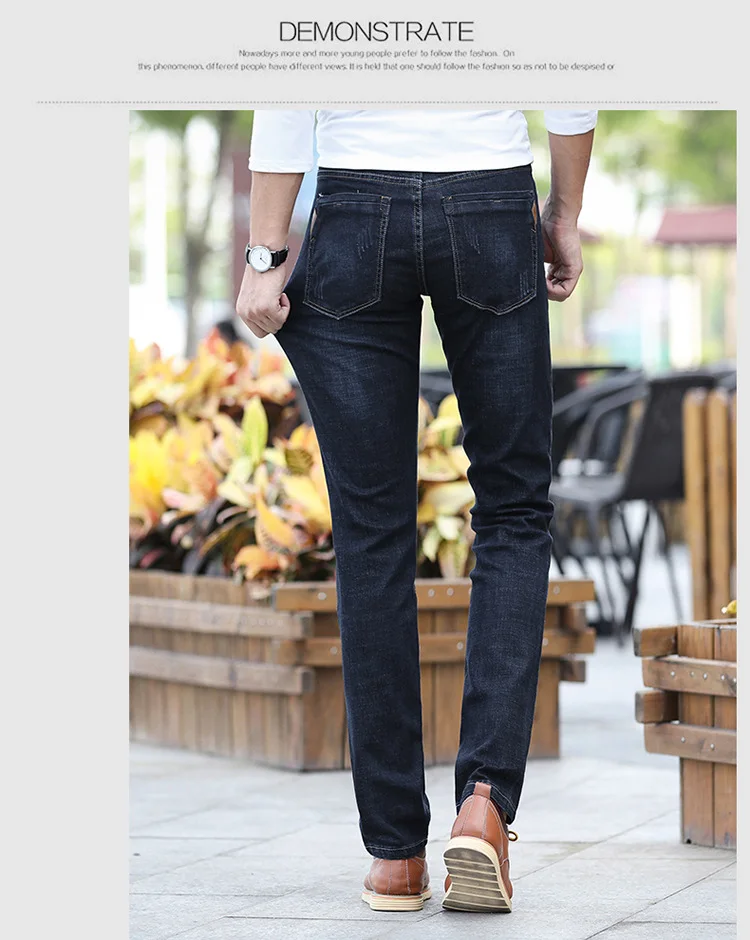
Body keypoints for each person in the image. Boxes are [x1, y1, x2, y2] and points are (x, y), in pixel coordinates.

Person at [236, 109, 596, 913]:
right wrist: (565, 213)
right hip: (492, 200)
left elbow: (285, 91)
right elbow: (577, 81)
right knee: (513, 511)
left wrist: (266, 255)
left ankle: (396, 855)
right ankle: (485, 807)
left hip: (356, 204)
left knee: (372, 534)